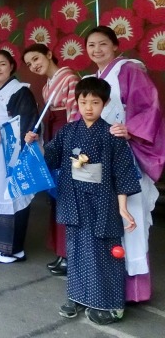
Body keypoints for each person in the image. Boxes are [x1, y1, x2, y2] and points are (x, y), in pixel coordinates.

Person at [26, 77, 141, 325]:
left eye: (95, 102)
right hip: (74, 198)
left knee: (104, 253)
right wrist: (36, 144)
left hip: (102, 203)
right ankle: (77, 297)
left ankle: (111, 305)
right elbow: (50, 157)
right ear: (76, 102)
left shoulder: (112, 135)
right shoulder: (68, 131)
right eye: (83, 101)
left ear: (105, 103)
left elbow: (122, 173)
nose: (88, 107)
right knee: (76, 251)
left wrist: (123, 208)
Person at [85, 25, 165, 303]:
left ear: (115, 46)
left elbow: (149, 108)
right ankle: (108, 282)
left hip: (126, 156)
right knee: (106, 219)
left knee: (130, 218)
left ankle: (134, 289)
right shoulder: (93, 78)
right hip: (100, 157)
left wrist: (129, 129)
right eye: (91, 45)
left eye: (103, 44)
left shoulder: (129, 70)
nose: (97, 50)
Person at [23, 43, 79, 276]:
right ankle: (61, 251)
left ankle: (70, 254)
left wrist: (72, 149)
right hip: (54, 137)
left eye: (36, 59)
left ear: (48, 54)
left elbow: (75, 116)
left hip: (66, 137)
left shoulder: (70, 78)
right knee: (56, 197)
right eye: (29, 64)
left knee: (67, 197)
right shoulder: (48, 85)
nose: (34, 65)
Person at [0, 50, 38, 264]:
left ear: (11, 66)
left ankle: (14, 249)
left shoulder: (21, 91)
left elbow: (28, 122)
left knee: (11, 194)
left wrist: (2, 137)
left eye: (2, 64)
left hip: (11, 152)